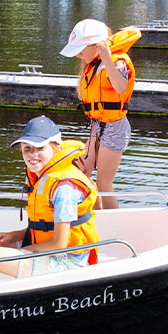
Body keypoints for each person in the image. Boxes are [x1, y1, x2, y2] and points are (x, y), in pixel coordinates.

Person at [0, 116, 98, 282]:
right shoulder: (42, 177)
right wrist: (15, 236)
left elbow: (59, 244)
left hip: (66, 261)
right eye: (27, 148)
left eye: (40, 148)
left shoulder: (63, 188)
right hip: (46, 249)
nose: (33, 154)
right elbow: (45, 226)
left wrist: (24, 251)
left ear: (56, 148)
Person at [61, 19, 140, 209]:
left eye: (80, 50)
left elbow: (121, 88)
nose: (78, 55)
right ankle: (96, 217)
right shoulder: (93, 65)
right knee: (81, 174)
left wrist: (106, 58)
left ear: (97, 45)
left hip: (115, 128)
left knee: (104, 183)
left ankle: (114, 222)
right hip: (98, 125)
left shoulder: (117, 62)